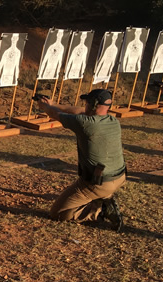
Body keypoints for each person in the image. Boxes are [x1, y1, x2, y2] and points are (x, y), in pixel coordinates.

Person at [36, 89, 126, 231]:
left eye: (87, 103)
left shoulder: (85, 123)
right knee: (100, 187)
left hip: (97, 183)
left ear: (93, 105)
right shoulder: (113, 121)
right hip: (119, 177)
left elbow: (55, 114)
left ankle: (100, 211)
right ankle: (105, 198)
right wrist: (55, 103)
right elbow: (78, 111)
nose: (84, 105)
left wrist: (45, 107)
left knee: (58, 213)